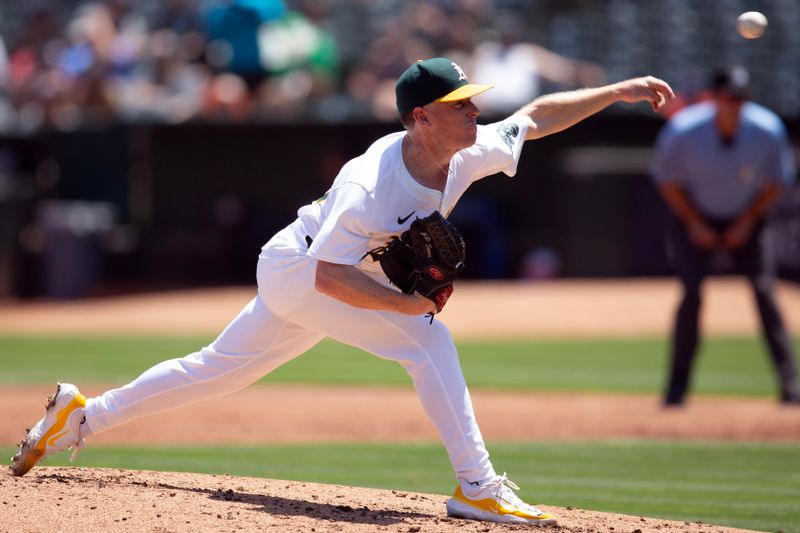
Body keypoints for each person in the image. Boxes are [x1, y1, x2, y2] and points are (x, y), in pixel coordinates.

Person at [11, 57, 674, 525]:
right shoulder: (371, 183)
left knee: (213, 369)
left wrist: (617, 91)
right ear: (421, 118)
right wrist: (405, 303)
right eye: (459, 103)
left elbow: (533, 118)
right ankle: (478, 485)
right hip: (305, 270)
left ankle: (83, 415)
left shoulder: (461, 150)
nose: (475, 109)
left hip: (300, 267)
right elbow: (329, 275)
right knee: (427, 340)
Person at [652, 64, 800, 407]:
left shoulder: (766, 128)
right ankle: (676, 391)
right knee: (691, 296)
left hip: (747, 217)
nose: (736, 104)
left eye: (742, 98)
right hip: (695, 215)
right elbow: (665, 180)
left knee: (765, 292)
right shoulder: (685, 129)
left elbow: (777, 181)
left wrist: (747, 222)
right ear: (714, 97)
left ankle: (790, 386)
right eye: (730, 97)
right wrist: (694, 222)